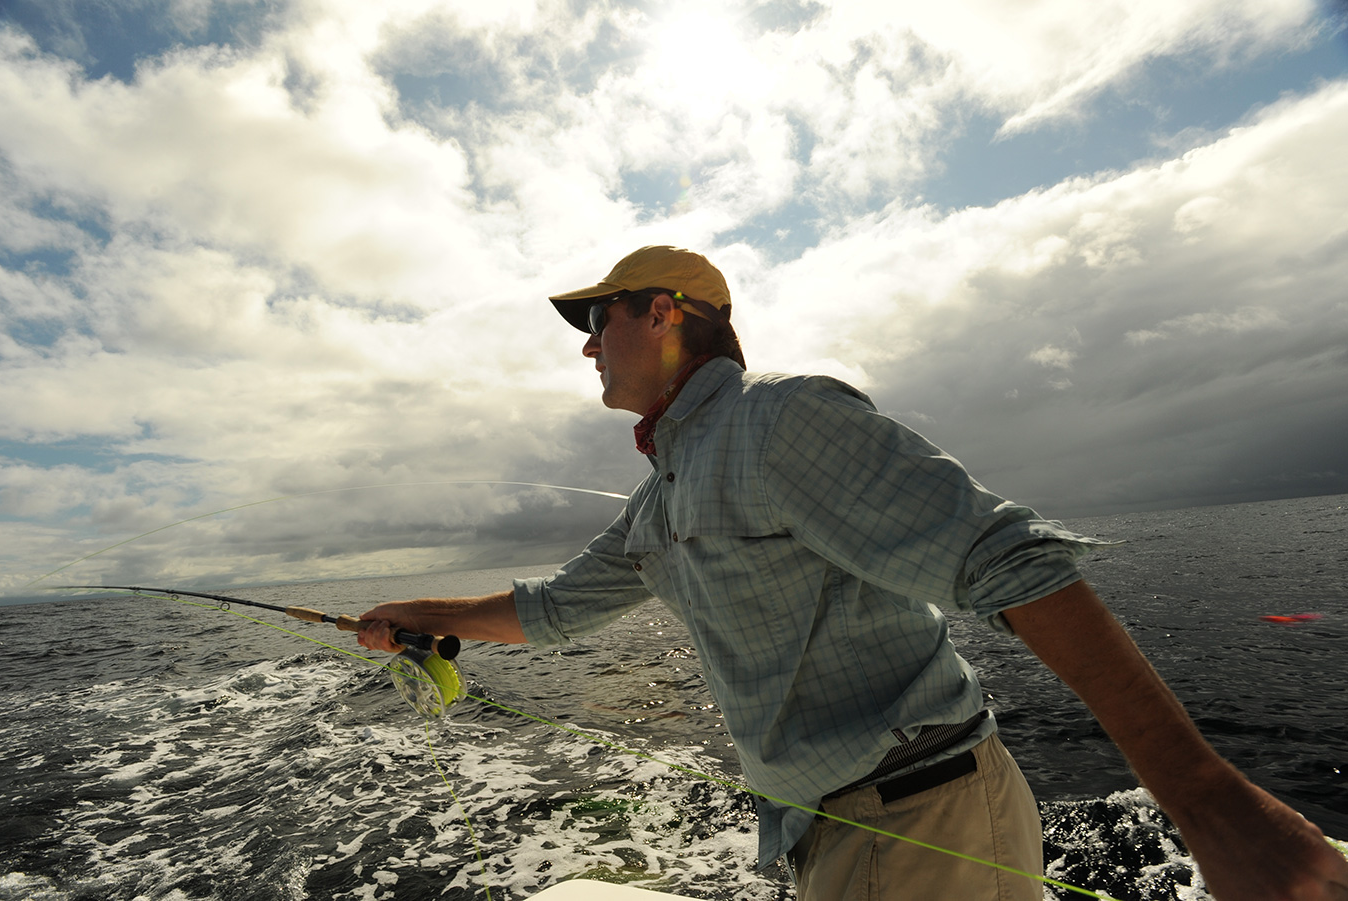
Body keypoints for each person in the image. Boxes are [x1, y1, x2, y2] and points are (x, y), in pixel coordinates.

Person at [358, 246, 1348, 900]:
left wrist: (1213, 806)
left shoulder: (776, 418)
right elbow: (551, 609)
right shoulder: (664, 493)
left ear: (662, 312)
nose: (585, 343)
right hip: (847, 833)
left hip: (916, 816)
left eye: (598, 318)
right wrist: (415, 612)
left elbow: (1007, 562)